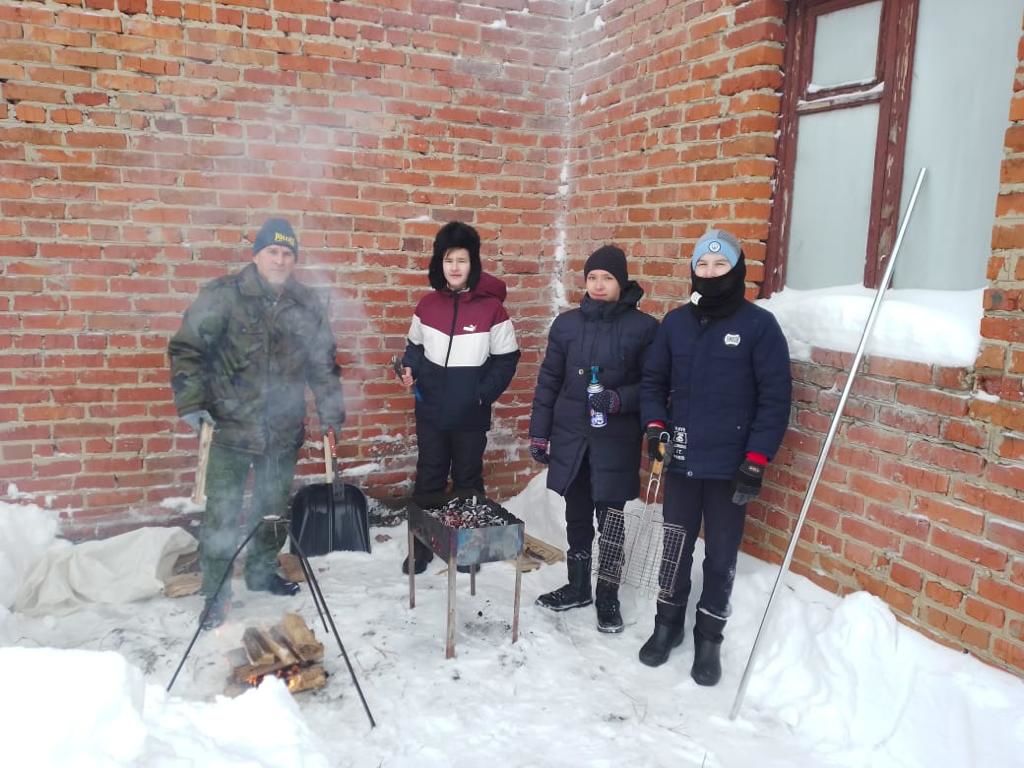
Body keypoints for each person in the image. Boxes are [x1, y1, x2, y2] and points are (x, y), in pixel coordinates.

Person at [168, 218, 346, 629]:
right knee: (222, 514)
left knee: (272, 508)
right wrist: (192, 403)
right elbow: (186, 349)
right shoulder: (224, 297)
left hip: (282, 430)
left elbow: (323, 363)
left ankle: (262, 571)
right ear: (256, 255)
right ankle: (215, 593)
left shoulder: (306, 304)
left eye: (288, 254)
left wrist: (331, 413)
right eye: (273, 252)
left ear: (294, 259)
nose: (280, 260)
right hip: (230, 428)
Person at [639, 229, 791, 684]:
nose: (709, 274)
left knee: (721, 555)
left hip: (731, 467)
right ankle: (667, 625)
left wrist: (757, 458)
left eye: (719, 266)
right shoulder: (676, 323)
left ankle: (710, 638)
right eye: (702, 266)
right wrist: (654, 426)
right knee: (675, 548)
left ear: (736, 270)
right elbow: (652, 383)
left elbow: (775, 398)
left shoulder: (758, 327)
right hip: (682, 460)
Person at [529, 245, 658, 633]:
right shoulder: (566, 326)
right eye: (592, 278)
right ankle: (577, 585)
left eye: (607, 278)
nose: (599, 285)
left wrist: (618, 399)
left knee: (612, 520)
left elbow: (654, 386)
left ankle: (607, 595)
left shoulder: (645, 329)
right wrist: (539, 431)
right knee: (577, 514)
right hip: (572, 437)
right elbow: (549, 380)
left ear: (622, 282)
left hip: (614, 439)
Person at [397, 221, 520, 575]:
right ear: (440, 263)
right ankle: (420, 546)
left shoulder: (492, 310)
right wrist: (410, 368)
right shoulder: (427, 305)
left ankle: (468, 547)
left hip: (470, 413)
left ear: (473, 264)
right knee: (429, 476)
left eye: (462, 260)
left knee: (467, 478)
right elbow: (415, 347)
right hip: (431, 410)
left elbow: (507, 358)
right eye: (449, 259)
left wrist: (482, 395)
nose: (454, 267)